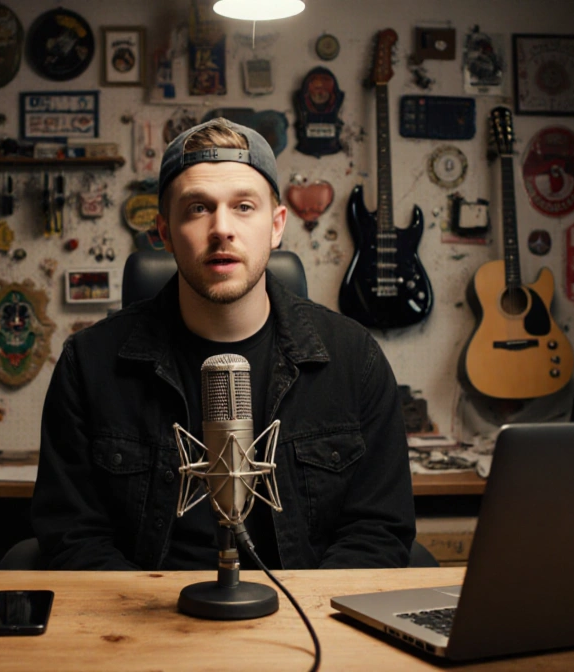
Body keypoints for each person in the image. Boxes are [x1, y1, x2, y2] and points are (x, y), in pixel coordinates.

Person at [28, 118, 415, 570]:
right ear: (165, 232)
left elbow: (378, 532)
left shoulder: (354, 359)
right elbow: (73, 537)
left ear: (276, 226)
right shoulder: (88, 364)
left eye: (244, 206)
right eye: (197, 208)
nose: (222, 229)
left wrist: (302, 624)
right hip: (147, 626)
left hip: (303, 625)